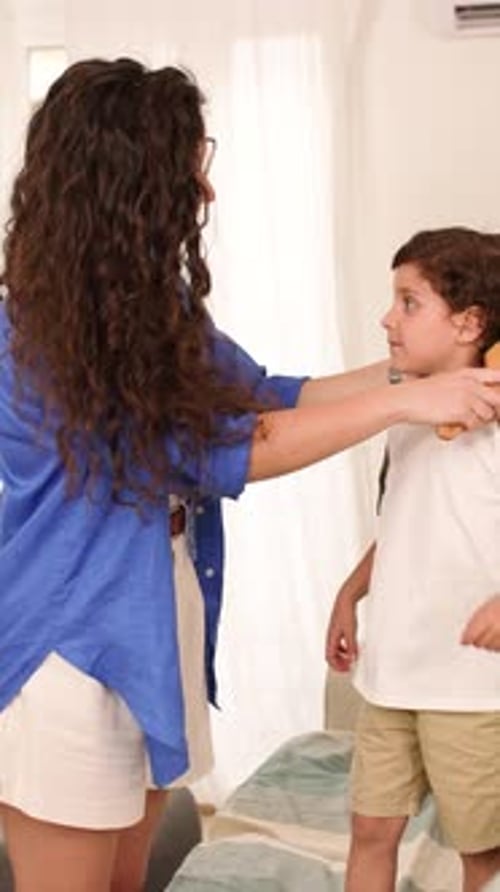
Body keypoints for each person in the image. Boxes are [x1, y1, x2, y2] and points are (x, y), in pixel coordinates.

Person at [1, 62, 499, 892]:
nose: (206, 188)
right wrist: (408, 400)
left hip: (154, 612)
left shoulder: (149, 308)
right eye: (190, 163)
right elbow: (206, 450)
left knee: (127, 879)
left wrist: (440, 373)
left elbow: (266, 395)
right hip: (68, 639)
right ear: (130, 178)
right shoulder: (33, 334)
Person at [325, 227, 500, 892]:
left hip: (470, 684)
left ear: (469, 323)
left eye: (409, 302)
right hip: (392, 676)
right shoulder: (406, 409)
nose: (387, 319)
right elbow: (406, 523)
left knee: (482, 852)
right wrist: (350, 591)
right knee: (371, 830)